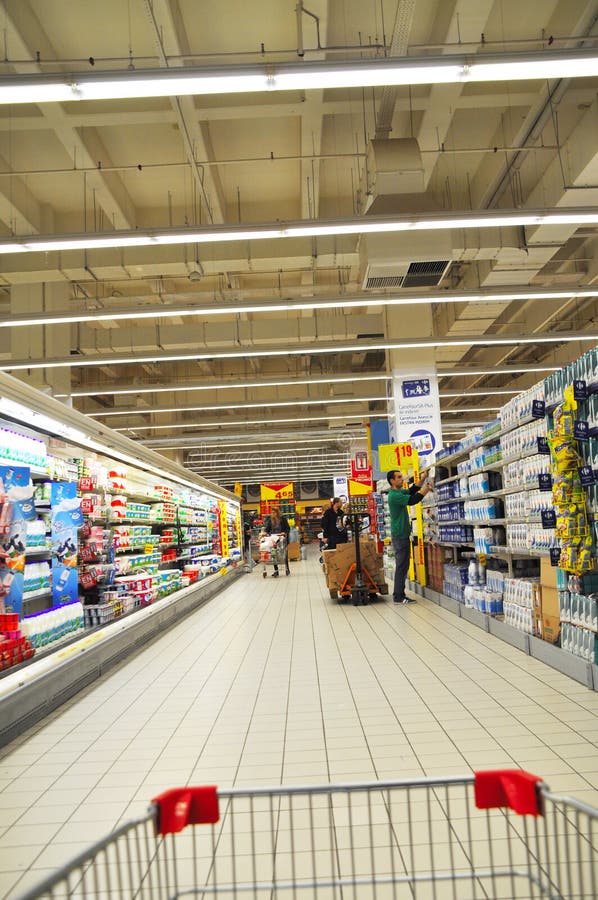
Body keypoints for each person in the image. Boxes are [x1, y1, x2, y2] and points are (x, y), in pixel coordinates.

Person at [387, 470, 432, 604]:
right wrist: (428, 488)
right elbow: (413, 500)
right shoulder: (394, 495)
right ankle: (398, 596)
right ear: (392, 481)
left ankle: (399, 594)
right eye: (399, 477)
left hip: (402, 534)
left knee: (403, 566)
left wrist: (423, 477)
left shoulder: (398, 492)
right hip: (400, 536)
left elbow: (413, 490)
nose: (402, 479)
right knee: (402, 566)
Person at [263, 507, 290, 577]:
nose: (272, 514)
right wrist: (265, 532)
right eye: (271, 513)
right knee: (273, 554)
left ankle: (287, 568)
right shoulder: (270, 520)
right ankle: (276, 570)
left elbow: (288, 528)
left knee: (284, 554)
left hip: (281, 538)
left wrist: (284, 532)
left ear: (277, 513)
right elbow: (267, 528)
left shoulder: (283, 519)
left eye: (274, 512)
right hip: (273, 539)